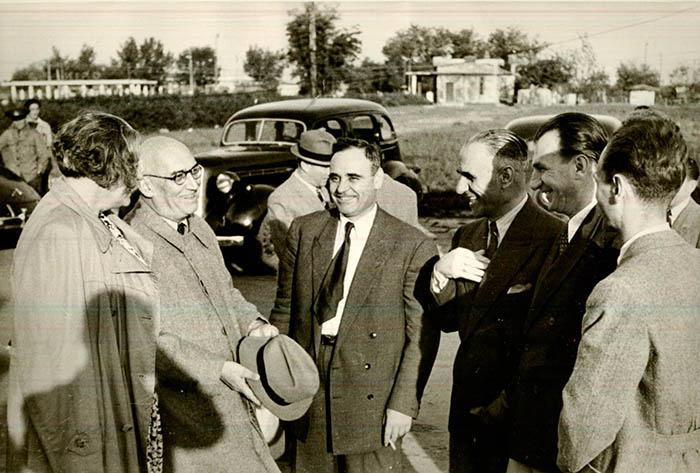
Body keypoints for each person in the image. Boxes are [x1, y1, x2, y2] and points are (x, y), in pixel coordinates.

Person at [270, 138, 439, 473]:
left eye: (353, 178)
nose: (341, 189)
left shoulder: (411, 244)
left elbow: (419, 336)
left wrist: (403, 405)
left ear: (378, 180)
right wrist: (275, 386)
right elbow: (285, 311)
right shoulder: (305, 231)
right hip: (309, 387)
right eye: (334, 178)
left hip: (372, 398)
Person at [8, 111, 158, 472]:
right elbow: (54, 366)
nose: (137, 177)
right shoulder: (62, 231)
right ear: (110, 165)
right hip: (87, 440)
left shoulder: (91, 218)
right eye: (132, 164)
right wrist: (85, 455)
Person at [126, 136, 280, 473]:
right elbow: (145, 340)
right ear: (146, 186)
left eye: (194, 171)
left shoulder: (199, 228)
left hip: (235, 400)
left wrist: (253, 323)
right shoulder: (131, 243)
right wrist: (219, 370)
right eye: (178, 177)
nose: (195, 183)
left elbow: (226, 292)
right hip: (188, 418)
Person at [558, 114, 700, 473]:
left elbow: (585, 425)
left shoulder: (620, 290)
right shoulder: (695, 262)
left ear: (616, 187)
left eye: (598, 182)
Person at [430, 130, 562, 473]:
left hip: (514, 419)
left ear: (505, 176)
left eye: (470, 177)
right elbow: (448, 321)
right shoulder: (468, 235)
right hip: (466, 415)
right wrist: (440, 273)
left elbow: (552, 347)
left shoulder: (553, 237)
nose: (460, 189)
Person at [506, 113, 620, 473]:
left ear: (581, 166)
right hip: (534, 433)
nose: (534, 181)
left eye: (542, 169)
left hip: (567, 446)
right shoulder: (565, 231)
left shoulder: (609, 243)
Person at [264, 128, 423, 261]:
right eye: (327, 168)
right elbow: (288, 257)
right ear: (305, 165)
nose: (332, 174)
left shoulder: (327, 189)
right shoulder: (281, 200)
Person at [0, 107, 51, 193]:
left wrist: (39, 171)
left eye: (20, 119)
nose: (18, 122)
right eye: (15, 120)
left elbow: (43, 154)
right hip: (13, 178)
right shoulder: (7, 134)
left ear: (25, 119)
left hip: (31, 177)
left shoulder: (34, 134)